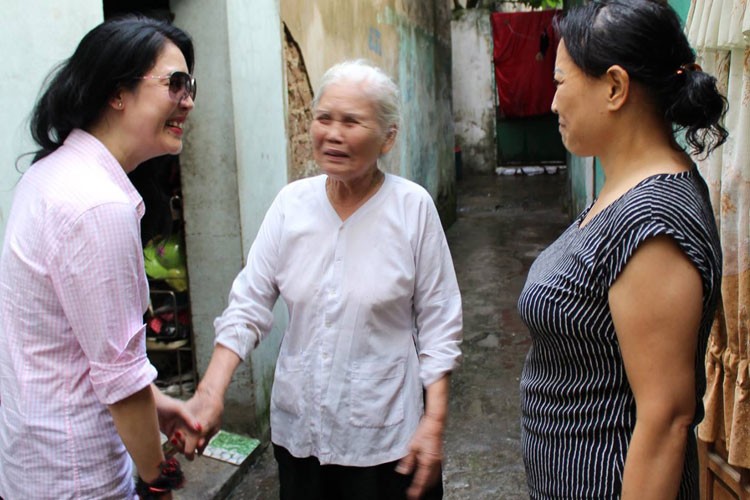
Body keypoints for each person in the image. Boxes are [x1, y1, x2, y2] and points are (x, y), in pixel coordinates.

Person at [183, 59, 463, 500]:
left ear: (388, 137)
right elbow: (249, 303)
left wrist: (434, 422)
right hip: (300, 435)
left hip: (385, 441)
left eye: (351, 121)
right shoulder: (291, 205)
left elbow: (439, 323)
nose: (332, 133)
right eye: (323, 118)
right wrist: (210, 391)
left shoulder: (413, 209)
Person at [517, 1, 728, 498]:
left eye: (560, 81)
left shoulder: (653, 220)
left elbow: (666, 419)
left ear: (614, 87)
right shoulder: (624, 189)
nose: (552, 102)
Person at [0, 16, 201, 499]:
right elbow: (118, 374)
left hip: (37, 461)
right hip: (77, 474)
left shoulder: (52, 173)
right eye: (175, 83)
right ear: (117, 92)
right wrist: (158, 476)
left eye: (190, 85)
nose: (188, 100)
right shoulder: (98, 205)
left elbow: (77, 345)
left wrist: (158, 403)